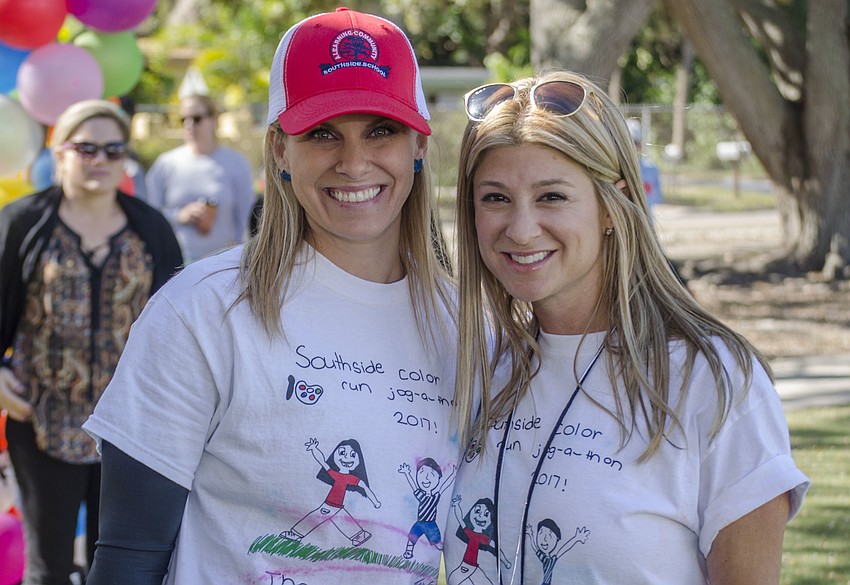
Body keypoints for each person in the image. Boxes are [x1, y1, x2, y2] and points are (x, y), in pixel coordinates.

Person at [83, 8, 461, 584]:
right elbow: (129, 556)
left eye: (380, 130)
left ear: (418, 147)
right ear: (280, 152)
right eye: (322, 133)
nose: (354, 162)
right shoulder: (203, 311)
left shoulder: (467, 326)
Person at [445, 71, 809, 584]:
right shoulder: (482, 368)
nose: (521, 228)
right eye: (496, 198)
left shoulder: (713, 381)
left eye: (552, 197)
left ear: (613, 206)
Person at [0, 99, 183, 585]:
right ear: (59, 153)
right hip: (42, 423)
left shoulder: (151, 228)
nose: (99, 159)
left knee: (123, 567)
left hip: (130, 429)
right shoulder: (23, 223)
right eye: (86, 148)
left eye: (112, 148)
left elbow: (180, 322)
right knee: (49, 568)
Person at [144, 93, 256, 263]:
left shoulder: (235, 163)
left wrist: (244, 259)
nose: (189, 125)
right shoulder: (166, 164)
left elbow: (247, 217)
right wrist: (180, 215)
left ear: (214, 119)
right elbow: (149, 214)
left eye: (196, 118)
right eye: (183, 120)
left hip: (222, 263)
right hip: (175, 262)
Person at [627, 118, 663, 216]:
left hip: (645, 223)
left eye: (635, 142)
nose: (633, 147)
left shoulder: (651, 170)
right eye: (628, 143)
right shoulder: (613, 170)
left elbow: (655, 198)